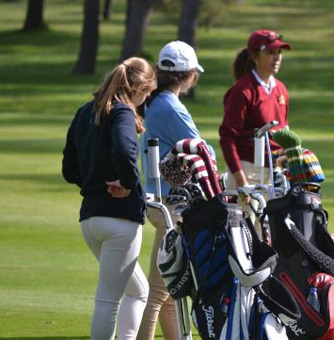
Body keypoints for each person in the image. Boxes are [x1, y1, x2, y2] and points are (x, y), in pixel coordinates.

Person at [62, 57, 156, 340]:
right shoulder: (123, 112)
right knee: (108, 300)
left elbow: (69, 168)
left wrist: (93, 184)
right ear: (138, 87)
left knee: (138, 291)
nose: (146, 100)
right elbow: (126, 150)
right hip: (119, 218)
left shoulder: (84, 112)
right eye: (147, 93)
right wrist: (127, 184)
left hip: (90, 219)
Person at [137, 40, 211, 340]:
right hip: (172, 207)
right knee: (158, 292)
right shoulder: (172, 108)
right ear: (190, 75)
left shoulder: (156, 102)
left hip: (161, 202)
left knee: (168, 292)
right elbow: (204, 153)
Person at [219, 29, 292, 230]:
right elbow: (227, 137)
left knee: (272, 234)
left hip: (274, 171)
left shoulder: (281, 89)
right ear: (255, 56)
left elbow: (283, 130)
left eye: (279, 53)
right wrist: (241, 179)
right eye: (270, 52)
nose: (276, 58)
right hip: (246, 170)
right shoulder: (242, 91)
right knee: (245, 235)